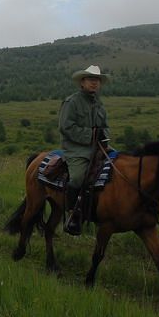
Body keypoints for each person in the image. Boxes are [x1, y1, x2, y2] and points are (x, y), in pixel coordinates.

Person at [58, 64, 111, 235]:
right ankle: (72, 215)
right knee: (78, 178)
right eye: (91, 79)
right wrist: (91, 135)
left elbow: (106, 127)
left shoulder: (100, 105)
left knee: (119, 165)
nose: (94, 83)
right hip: (76, 149)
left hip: (98, 147)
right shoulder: (71, 102)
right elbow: (66, 127)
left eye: (97, 80)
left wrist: (104, 137)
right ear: (82, 82)